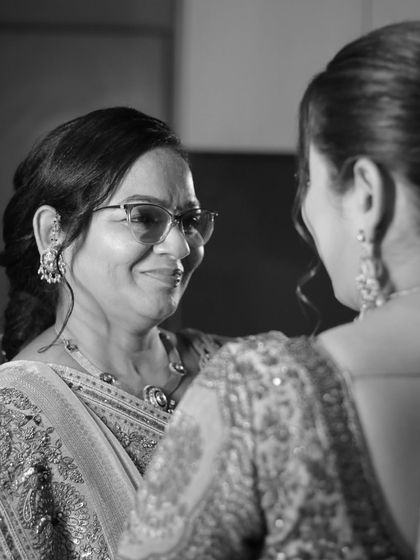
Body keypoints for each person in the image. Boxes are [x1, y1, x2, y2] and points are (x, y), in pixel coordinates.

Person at [118, 21, 420, 560]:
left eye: (308, 178)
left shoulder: (261, 394)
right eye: (144, 218)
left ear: (367, 195)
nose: (304, 212)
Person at [0, 106, 227, 559]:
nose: (182, 247)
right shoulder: (16, 416)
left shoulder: (234, 366)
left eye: (189, 220)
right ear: (53, 234)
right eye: (144, 218)